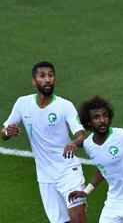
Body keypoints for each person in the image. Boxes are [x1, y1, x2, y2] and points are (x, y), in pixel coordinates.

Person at [1, 61, 87, 223]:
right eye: (42, 76)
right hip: (46, 176)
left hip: (69, 171)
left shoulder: (64, 106)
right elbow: (3, 133)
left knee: (77, 219)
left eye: (51, 75)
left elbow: (81, 135)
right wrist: (7, 132)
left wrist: (74, 142)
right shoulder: (22, 104)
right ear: (34, 81)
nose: (48, 79)